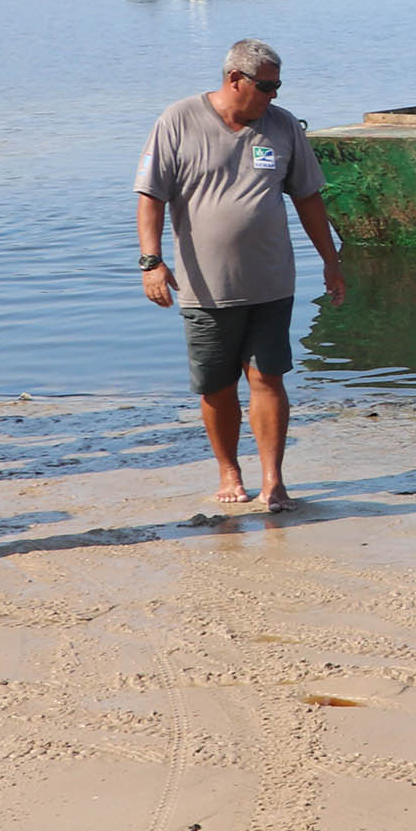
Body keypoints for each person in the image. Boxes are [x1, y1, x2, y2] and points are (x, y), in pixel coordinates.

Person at [133, 40, 347, 513]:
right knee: (217, 386)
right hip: (204, 286)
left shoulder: (283, 126)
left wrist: (331, 261)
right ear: (235, 79)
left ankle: (274, 481)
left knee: (268, 377)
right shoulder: (178, 120)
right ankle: (229, 471)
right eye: (265, 86)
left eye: (277, 86)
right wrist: (151, 262)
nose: (273, 96)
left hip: (271, 281)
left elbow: (309, 199)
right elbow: (150, 196)